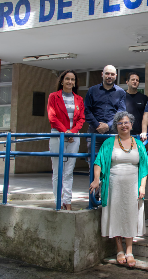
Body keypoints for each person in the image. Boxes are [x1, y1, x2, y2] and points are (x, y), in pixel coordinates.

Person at [89, 111, 148, 268]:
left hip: (133, 185)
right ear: (116, 126)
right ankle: (119, 249)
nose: (124, 125)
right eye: (120, 123)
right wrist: (96, 180)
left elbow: (144, 166)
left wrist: (142, 186)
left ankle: (129, 250)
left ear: (131, 125)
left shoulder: (138, 144)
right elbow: (98, 162)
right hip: (113, 184)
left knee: (130, 215)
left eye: (126, 122)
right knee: (115, 214)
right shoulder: (109, 142)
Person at [47, 70, 85, 211]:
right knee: (58, 171)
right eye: (67, 79)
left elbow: (81, 118)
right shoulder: (53, 97)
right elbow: (52, 117)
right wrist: (65, 132)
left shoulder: (79, 99)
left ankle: (67, 201)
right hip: (58, 136)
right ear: (62, 81)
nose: (70, 82)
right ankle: (58, 200)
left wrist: (72, 133)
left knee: (69, 172)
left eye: (73, 79)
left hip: (73, 138)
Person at [84, 65, 126, 154]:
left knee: (111, 163)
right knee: (93, 162)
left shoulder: (121, 92)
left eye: (112, 74)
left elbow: (121, 112)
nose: (109, 76)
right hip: (94, 132)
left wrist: (108, 126)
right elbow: (87, 110)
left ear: (116, 76)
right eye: (107, 73)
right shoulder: (92, 90)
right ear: (102, 74)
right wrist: (97, 125)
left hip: (112, 133)